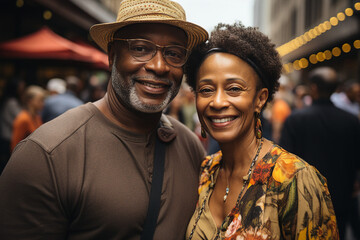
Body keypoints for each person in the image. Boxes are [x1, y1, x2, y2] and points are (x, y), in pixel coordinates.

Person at [0, 0, 208, 239]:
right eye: (140, 48)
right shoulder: (47, 153)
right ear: (112, 56)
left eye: (174, 53)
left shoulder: (190, 148)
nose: (159, 66)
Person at [184, 22, 339, 240]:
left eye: (234, 89)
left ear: (260, 99)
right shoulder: (205, 172)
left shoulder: (293, 178)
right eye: (206, 90)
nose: (217, 102)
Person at [280, 67, 360, 240]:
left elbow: (284, 161)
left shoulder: (295, 120)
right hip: (341, 195)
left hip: (304, 198)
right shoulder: (351, 121)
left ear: (313, 88)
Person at [0, 77, 25, 174]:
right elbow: (21, 120)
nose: (23, 90)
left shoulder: (11, 101)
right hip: (8, 137)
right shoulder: (12, 103)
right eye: (21, 87)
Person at [10, 85, 45, 151]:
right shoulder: (23, 119)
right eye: (40, 100)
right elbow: (15, 145)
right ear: (30, 101)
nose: (43, 104)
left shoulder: (37, 116)